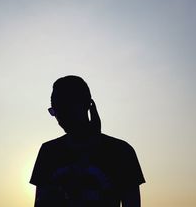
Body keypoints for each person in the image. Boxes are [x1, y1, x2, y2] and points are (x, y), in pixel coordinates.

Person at [30, 75, 145, 206]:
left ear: (87, 105)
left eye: (66, 108)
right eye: (55, 110)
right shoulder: (48, 152)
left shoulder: (121, 152)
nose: (60, 117)